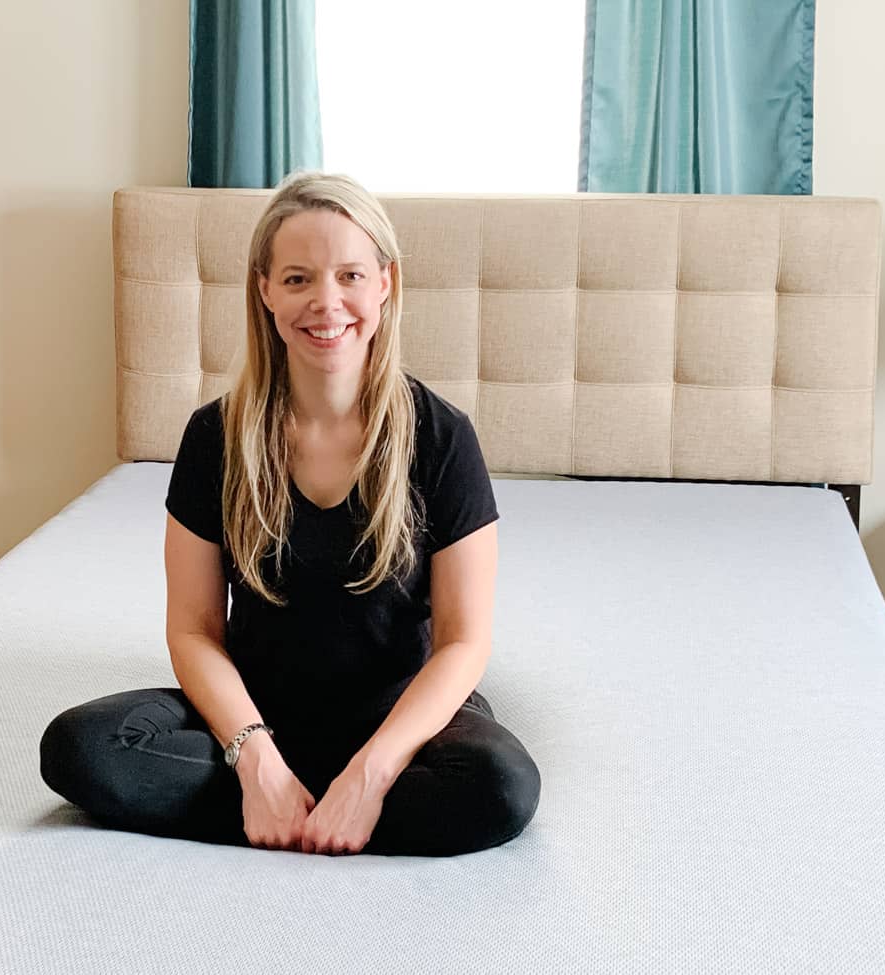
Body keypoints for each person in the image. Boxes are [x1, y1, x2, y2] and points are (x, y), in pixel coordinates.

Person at [40, 171, 541, 856]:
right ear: (265, 289)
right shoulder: (215, 437)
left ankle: (329, 804)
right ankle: (281, 798)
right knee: (77, 747)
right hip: (253, 714)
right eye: (299, 278)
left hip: (399, 722)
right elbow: (193, 630)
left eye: (350, 275)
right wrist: (254, 758)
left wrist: (370, 772)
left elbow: (463, 643)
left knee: (501, 787)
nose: (327, 302)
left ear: (386, 283)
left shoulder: (442, 437)